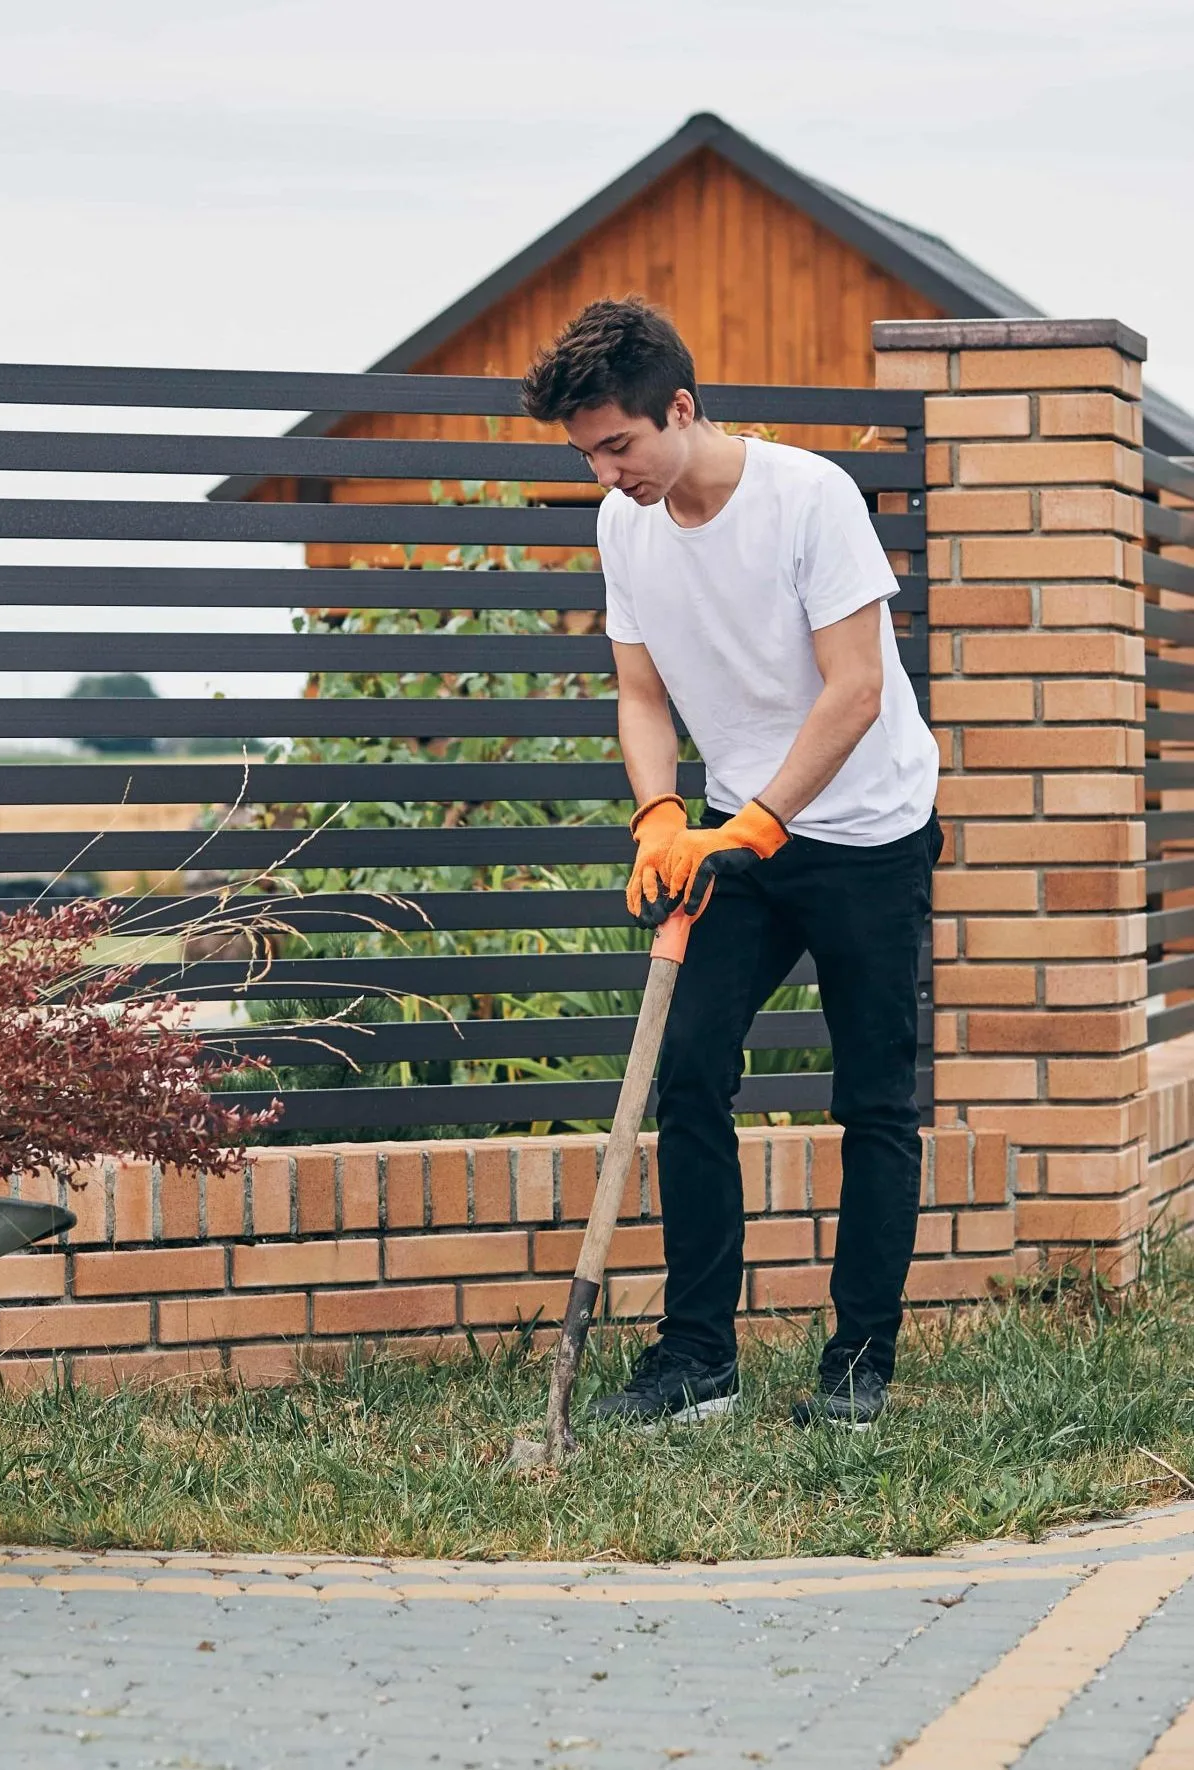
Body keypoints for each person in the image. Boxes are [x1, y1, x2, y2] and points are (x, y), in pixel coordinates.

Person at [520, 297, 941, 1427]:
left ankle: (857, 1366)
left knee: (872, 1104)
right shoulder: (623, 525)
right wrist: (659, 812)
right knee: (688, 1071)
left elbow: (854, 689)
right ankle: (695, 1359)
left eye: (619, 443)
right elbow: (639, 690)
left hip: (865, 834)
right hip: (726, 837)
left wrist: (758, 820)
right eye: (587, 453)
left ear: (681, 409)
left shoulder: (809, 499)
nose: (608, 472)